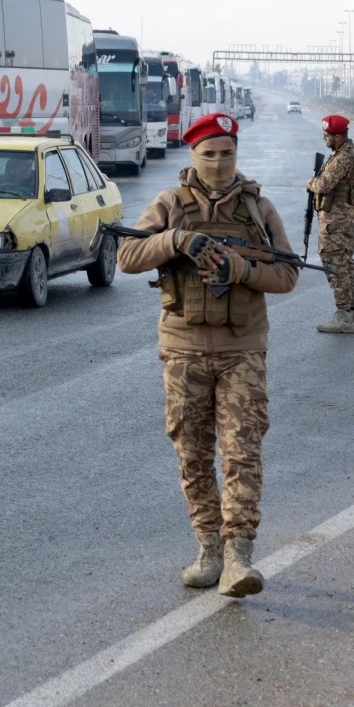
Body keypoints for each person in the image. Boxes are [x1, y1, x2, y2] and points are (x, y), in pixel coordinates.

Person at [116, 111, 300, 597]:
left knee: (242, 452)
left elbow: (287, 275)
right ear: (193, 155)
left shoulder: (259, 209)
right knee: (193, 453)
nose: (219, 162)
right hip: (184, 350)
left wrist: (241, 270)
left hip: (243, 349)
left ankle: (239, 557)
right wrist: (176, 240)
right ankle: (209, 550)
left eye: (227, 153)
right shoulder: (169, 204)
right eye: (209, 154)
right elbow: (127, 257)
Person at [308, 112, 354, 335]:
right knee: (346, 263)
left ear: (338, 136)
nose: (325, 139)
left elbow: (324, 185)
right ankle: (352, 313)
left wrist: (311, 183)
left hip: (336, 221)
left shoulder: (342, 157)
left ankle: (343, 316)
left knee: (334, 263)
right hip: (348, 217)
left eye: (327, 136)